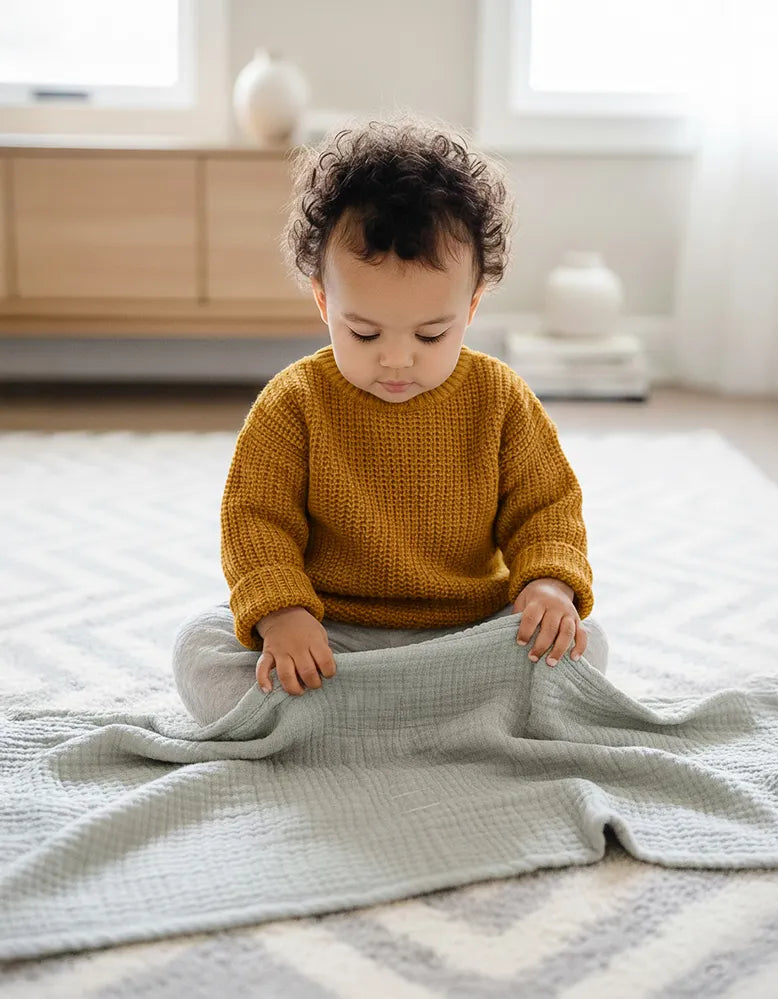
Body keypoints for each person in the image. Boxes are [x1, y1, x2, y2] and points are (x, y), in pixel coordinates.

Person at [172, 109, 609, 726]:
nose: (397, 359)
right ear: (325, 303)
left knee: (585, 648)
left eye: (432, 334)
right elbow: (255, 519)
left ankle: (351, 723)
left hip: (467, 630)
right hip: (329, 634)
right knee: (201, 648)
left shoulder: (500, 399)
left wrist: (549, 587)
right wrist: (281, 614)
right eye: (365, 331)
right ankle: (442, 719)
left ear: (473, 305)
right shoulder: (294, 403)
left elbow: (548, 508)